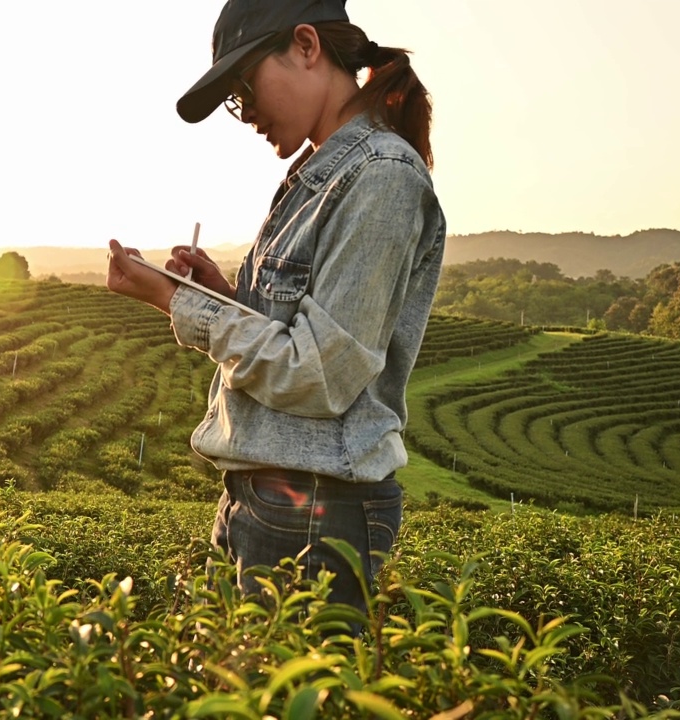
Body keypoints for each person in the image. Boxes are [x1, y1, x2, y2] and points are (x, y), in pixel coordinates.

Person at [106, 0, 445, 614]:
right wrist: (223, 296)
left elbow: (318, 373)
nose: (246, 113)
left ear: (308, 46)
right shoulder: (318, 174)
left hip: (316, 512)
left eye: (244, 87)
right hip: (271, 499)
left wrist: (179, 304)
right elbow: (296, 333)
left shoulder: (380, 176)